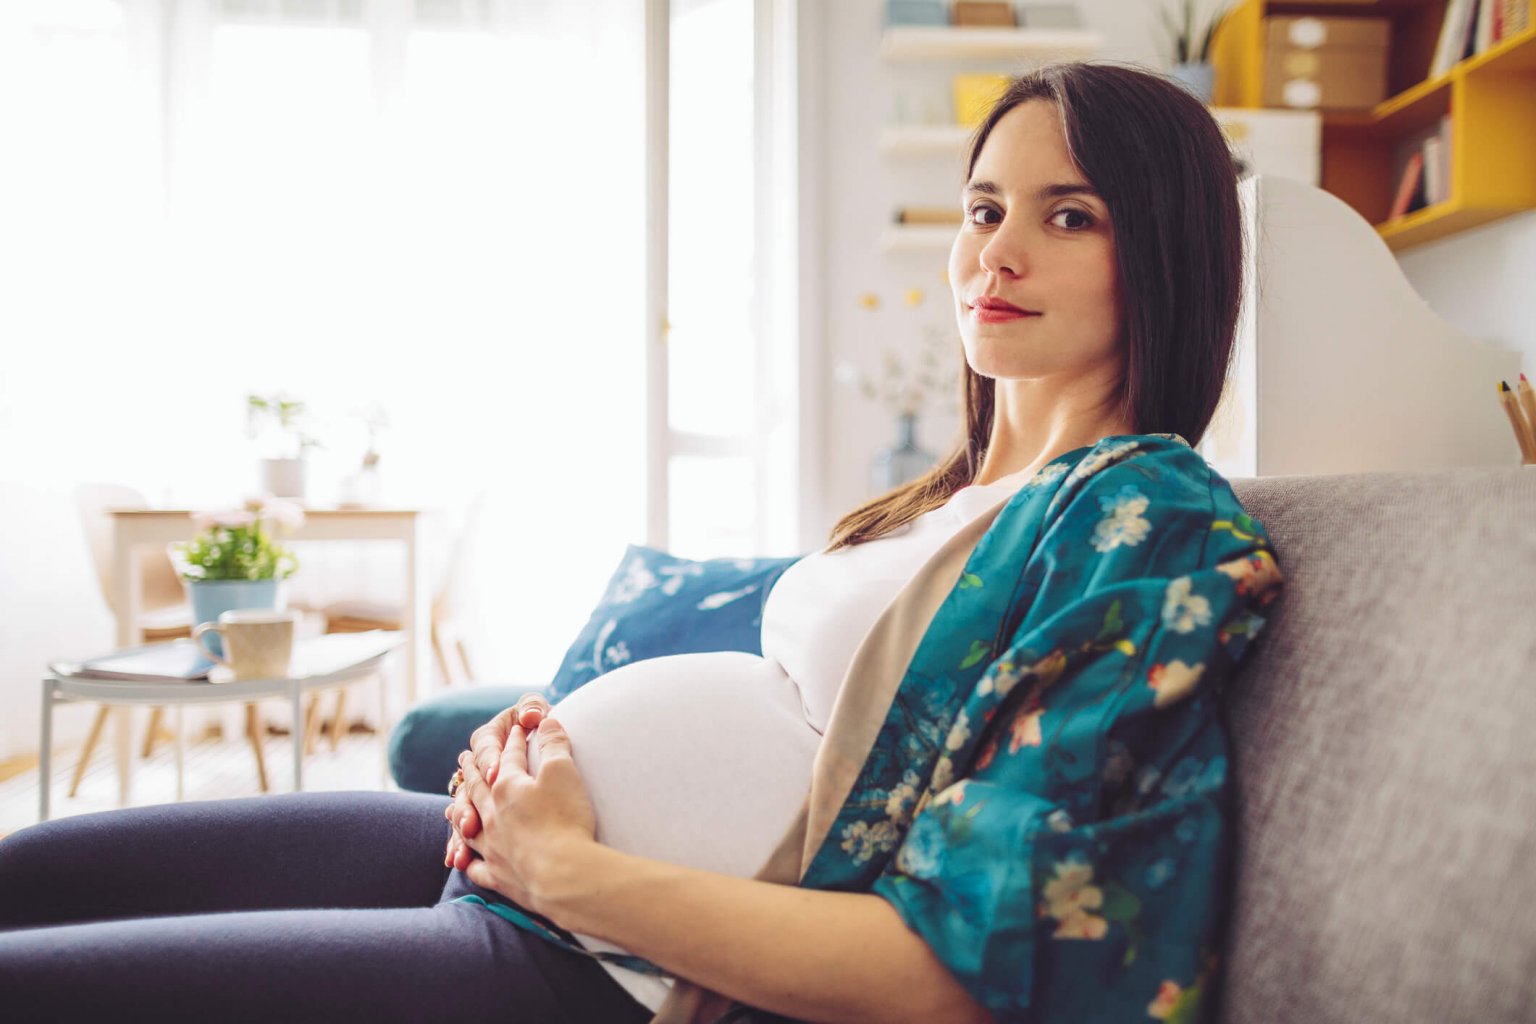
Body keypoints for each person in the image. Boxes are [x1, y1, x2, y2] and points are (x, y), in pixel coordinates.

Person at [0, 62, 1282, 1024]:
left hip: (594, 967)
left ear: (1164, 253)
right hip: (504, 870)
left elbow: (962, 967)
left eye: (1070, 216)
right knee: (31, 876)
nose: (993, 251)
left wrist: (570, 868)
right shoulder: (940, 502)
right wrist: (537, 763)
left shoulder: (1146, 520)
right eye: (983, 204)